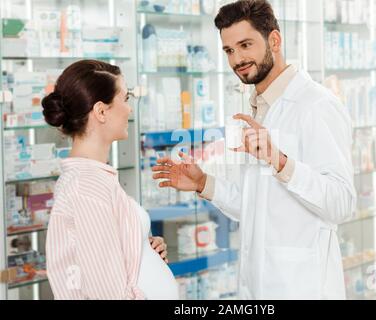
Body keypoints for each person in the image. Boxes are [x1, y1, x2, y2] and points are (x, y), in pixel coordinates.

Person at [152, 0, 356, 299]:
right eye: (229, 50)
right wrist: (203, 183)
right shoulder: (256, 109)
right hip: (257, 287)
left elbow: (342, 203)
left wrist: (281, 161)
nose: (237, 59)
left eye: (245, 45)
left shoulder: (316, 106)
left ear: (274, 39)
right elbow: (257, 207)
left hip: (303, 286)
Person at [43, 60, 179, 300]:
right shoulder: (87, 186)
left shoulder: (95, 178)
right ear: (101, 111)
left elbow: (105, 259)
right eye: (125, 99)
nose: (129, 109)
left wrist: (143, 249)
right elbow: (108, 294)